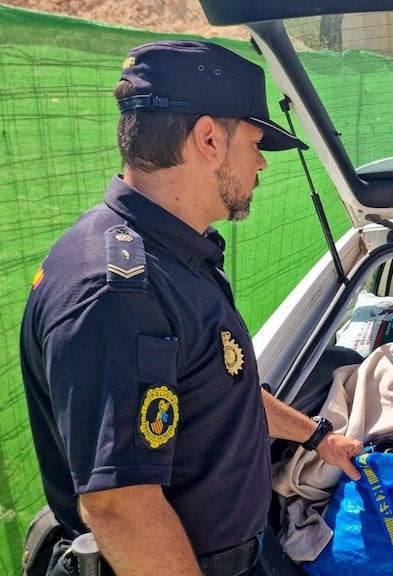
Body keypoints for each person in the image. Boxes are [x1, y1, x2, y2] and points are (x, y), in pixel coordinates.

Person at [20, 40, 364, 576]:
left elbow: (219, 387)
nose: (261, 165)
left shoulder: (174, 254)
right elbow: (119, 507)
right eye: (255, 142)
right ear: (208, 138)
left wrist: (320, 437)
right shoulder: (119, 292)